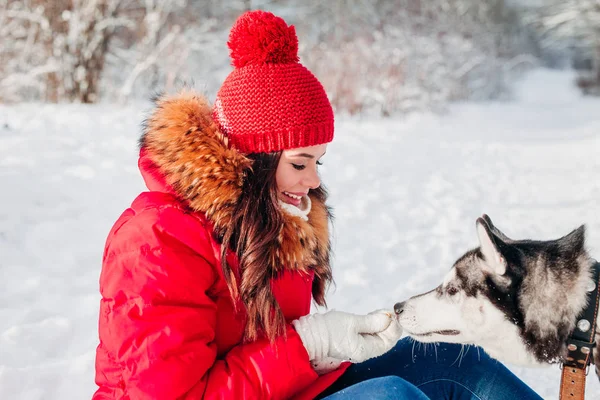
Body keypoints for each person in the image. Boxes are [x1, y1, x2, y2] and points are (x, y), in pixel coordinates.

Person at [93, 10, 543, 400]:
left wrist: (326, 347)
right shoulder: (155, 242)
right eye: (299, 163)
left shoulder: (270, 218)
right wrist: (308, 344)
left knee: (456, 363)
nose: (312, 182)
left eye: (318, 162)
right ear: (252, 160)